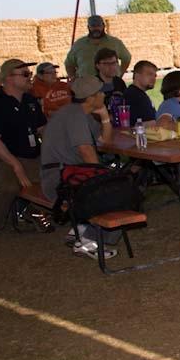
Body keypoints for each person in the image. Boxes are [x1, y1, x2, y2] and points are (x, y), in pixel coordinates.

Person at [0, 59, 52, 245]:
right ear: (8, 78)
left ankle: (34, 210)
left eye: (29, 73)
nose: (29, 77)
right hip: (0, 159)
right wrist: (16, 165)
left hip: (31, 156)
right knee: (9, 186)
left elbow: (42, 129)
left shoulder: (30, 101)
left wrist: (52, 151)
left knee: (56, 178)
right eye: (25, 74)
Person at [40, 76, 119, 260]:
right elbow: (86, 152)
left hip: (68, 175)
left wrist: (104, 116)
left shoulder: (81, 113)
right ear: (91, 97)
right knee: (116, 193)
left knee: (116, 185)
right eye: (101, 92)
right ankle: (88, 241)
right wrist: (104, 179)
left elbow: (105, 142)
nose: (104, 95)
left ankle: (82, 229)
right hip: (59, 179)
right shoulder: (74, 115)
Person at [64, 15, 132, 79]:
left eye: (99, 25)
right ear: (88, 27)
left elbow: (127, 58)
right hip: (86, 84)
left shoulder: (115, 42)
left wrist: (119, 75)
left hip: (111, 83)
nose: (96, 28)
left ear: (103, 26)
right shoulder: (79, 44)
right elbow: (69, 64)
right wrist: (73, 79)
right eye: (93, 26)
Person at [123, 60, 173, 128]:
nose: (153, 78)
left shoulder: (137, 94)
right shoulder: (134, 96)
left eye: (154, 76)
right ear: (137, 75)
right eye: (149, 74)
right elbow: (135, 125)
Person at [94, 48, 127, 123]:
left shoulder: (119, 82)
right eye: (106, 64)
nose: (111, 67)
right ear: (97, 65)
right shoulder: (92, 85)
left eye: (114, 63)